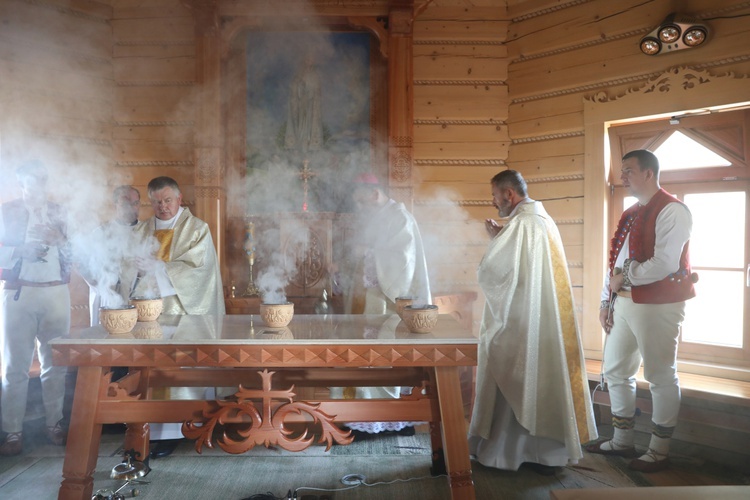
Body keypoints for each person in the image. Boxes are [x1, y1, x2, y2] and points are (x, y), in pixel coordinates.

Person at [468, 170, 597, 475]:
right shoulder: (543, 220)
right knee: (543, 380)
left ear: (509, 194)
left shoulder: (523, 223)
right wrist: (502, 238)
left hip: (524, 322)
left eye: (495, 196)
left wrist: (494, 241)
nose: (494, 202)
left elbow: (496, 273)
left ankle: (505, 454)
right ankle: (548, 457)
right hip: (544, 321)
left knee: (516, 372)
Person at [586, 150, 695, 473]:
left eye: (629, 170)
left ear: (649, 173)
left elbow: (665, 263)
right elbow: (615, 265)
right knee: (617, 370)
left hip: (660, 304)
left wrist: (626, 278)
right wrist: (606, 302)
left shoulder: (673, 210)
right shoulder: (632, 212)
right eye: (622, 171)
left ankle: (659, 451)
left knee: (660, 375)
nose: (623, 176)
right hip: (624, 302)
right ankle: (622, 442)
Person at [128, 176, 226, 458]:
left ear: (179, 199)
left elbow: (200, 271)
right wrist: (134, 269)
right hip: (149, 314)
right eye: (157, 202)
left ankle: (185, 426)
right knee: (153, 372)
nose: (163, 207)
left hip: (184, 314)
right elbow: (127, 268)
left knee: (181, 372)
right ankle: (155, 430)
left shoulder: (196, 229)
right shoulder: (141, 230)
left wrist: (159, 267)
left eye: (168, 200)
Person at [330, 172, 432, 438]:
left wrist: (368, 253)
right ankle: (358, 418)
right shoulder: (377, 218)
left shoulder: (399, 218)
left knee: (381, 361)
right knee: (362, 360)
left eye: (362, 202)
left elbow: (403, 261)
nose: (360, 209)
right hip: (366, 304)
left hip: (386, 307)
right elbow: (362, 254)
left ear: (374, 194)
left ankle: (383, 422)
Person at [0, 159, 71, 456]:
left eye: (38, 184)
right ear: (21, 184)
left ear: (44, 184)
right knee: (15, 365)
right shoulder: (8, 211)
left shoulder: (60, 212)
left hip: (56, 292)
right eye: (27, 185)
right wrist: (20, 250)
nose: (33, 190)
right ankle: (12, 431)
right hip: (20, 294)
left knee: (56, 364)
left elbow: (81, 252)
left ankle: (54, 424)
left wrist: (61, 239)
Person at [79, 185, 142, 326]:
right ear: (115, 205)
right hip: (107, 297)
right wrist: (99, 285)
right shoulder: (101, 233)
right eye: (125, 203)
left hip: (138, 298)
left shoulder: (146, 232)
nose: (131, 207)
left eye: (135, 203)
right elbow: (82, 262)